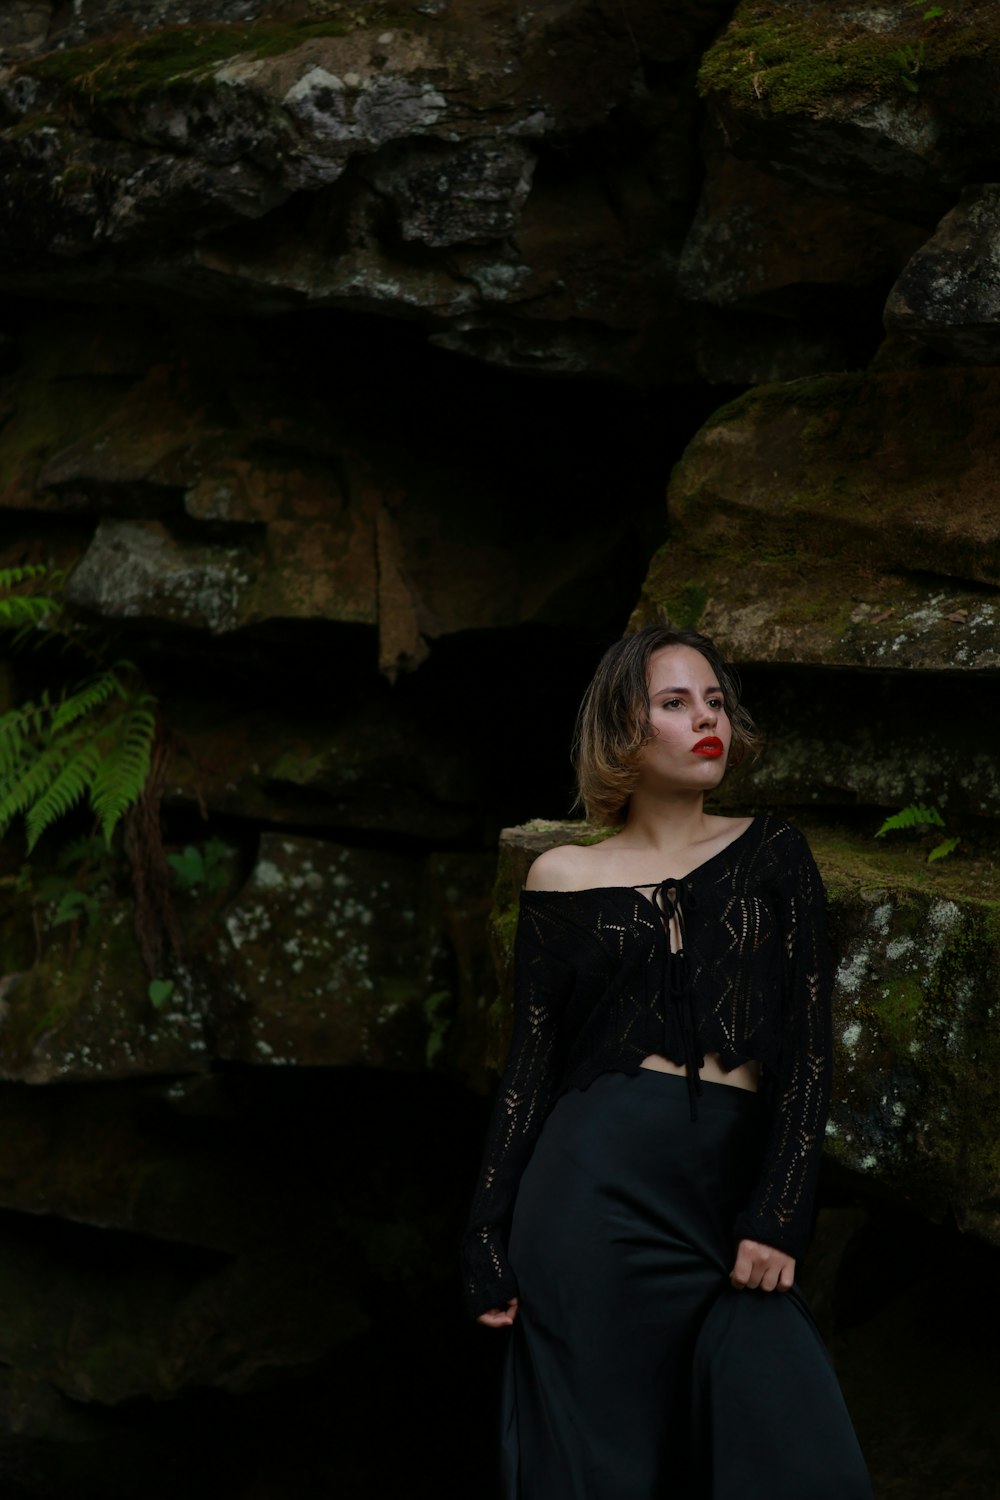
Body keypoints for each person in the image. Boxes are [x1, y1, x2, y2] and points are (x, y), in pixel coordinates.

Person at [461, 624, 873, 1500]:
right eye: (675, 703)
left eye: (714, 702)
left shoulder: (774, 854)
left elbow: (809, 1046)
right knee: (607, 1470)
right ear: (624, 728)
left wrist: (779, 1213)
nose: (706, 720)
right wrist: (484, 1238)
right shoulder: (562, 877)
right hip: (588, 1205)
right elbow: (530, 1072)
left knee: (797, 1455)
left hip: (725, 1203)